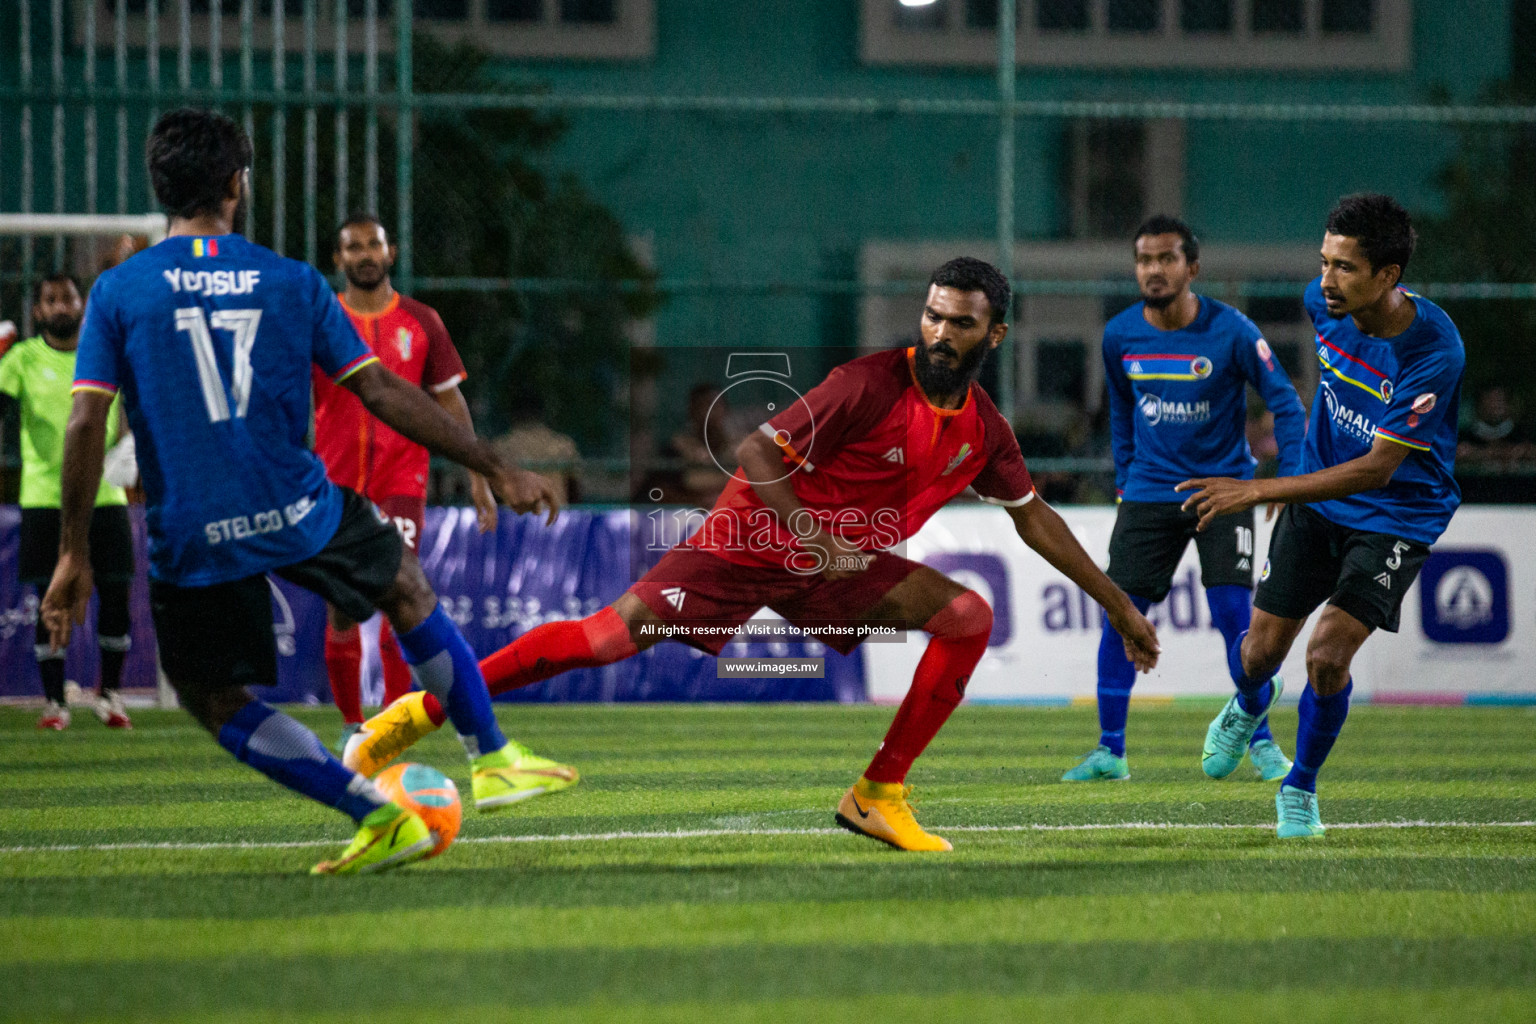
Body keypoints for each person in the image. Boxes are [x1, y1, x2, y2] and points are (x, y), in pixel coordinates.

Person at [345, 257, 1162, 852]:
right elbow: (756, 453)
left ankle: (878, 792)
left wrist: (1120, 605)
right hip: (753, 539)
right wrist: (810, 539)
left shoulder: (983, 429)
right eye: (934, 316)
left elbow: (1034, 517)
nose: (942, 333)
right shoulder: (870, 382)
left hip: (834, 568)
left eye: (961, 322)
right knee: (599, 641)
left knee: (966, 615)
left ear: (997, 332)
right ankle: (413, 715)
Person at [42, 108, 564, 875]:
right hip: (298, 506)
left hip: (194, 529)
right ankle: (493, 756)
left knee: (211, 696)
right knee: (406, 587)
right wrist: (493, 464)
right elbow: (382, 390)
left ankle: (375, 815)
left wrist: (73, 552)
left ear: (161, 189)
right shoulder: (289, 281)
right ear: (235, 185)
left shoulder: (120, 292)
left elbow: (87, 420)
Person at [1178, 193, 1465, 838]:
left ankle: (1300, 786)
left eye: (1345, 268)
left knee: (1327, 657)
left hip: (1397, 514)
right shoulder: (1322, 305)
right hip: (1320, 501)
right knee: (1257, 654)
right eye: (1324, 262)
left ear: (1388, 277)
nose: (1326, 281)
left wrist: (1261, 488)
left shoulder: (1433, 350)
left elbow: (1377, 469)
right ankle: (1250, 703)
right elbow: (1326, 397)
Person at [315, 215, 574, 802]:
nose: (365, 254)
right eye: (353, 246)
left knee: (397, 593)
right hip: (334, 481)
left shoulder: (421, 323)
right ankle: (352, 726)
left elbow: (448, 404)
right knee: (340, 610)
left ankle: (389, 728)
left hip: (401, 480)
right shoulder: (324, 320)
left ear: (391, 250)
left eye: (373, 243)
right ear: (339, 258)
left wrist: (481, 477)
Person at [1062, 215, 1307, 783]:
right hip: (1148, 491)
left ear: (1191, 268)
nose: (1154, 269)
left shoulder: (1235, 331)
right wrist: (1126, 477)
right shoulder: (1120, 334)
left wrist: (1288, 480)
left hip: (1224, 489)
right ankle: (1110, 751)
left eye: (1166, 258)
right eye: (1145, 260)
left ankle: (1260, 739)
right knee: (1120, 615)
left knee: (1231, 615)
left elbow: (1286, 404)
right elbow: (1120, 411)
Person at [0, 274, 137, 730]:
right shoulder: (21, 359)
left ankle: (111, 696)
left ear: (82, 304)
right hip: (44, 498)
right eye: (51, 299)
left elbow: (134, 409)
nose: (61, 306)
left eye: (69, 298)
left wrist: (130, 448)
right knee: (49, 597)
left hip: (106, 494)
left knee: (116, 594)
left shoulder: (103, 354)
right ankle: (55, 702)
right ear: (38, 311)